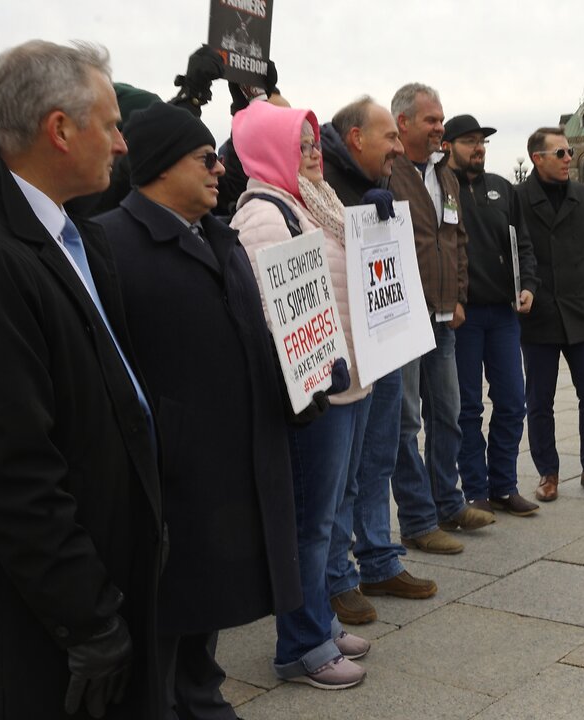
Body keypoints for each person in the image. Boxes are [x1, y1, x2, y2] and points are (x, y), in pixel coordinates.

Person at [0, 40, 162, 718]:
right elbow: (11, 473)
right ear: (59, 129)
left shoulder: (70, 233)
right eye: (109, 125)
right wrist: (91, 620)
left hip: (97, 585)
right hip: (34, 634)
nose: (122, 144)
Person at [95, 101, 311, 714]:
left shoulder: (223, 238)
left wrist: (301, 384)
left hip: (230, 469)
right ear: (162, 167)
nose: (221, 169)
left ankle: (201, 697)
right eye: (204, 158)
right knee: (163, 631)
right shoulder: (111, 243)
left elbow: (253, 334)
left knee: (205, 622)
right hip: (170, 479)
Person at [229, 100, 372, 689]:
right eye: (302, 146)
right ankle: (301, 645)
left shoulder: (311, 202)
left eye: (316, 145)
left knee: (325, 513)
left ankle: (318, 618)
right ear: (270, 150)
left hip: (343, 381)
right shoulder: (264, 214)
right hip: (314, 394)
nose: (315, 155)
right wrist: (320, 370)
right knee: (309, 523)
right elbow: (272, 313)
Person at [317, 97, 441, 626]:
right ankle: (337, 577)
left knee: (380, 457)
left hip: (387, 338)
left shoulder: (380, 180)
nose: (396, 146)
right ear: (355, 139)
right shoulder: (321, 186)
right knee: (344, 471)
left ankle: (377, 557)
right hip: (349, 353)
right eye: (388, 137)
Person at [387, 83, 495, 553]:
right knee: (407, 423)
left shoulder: (445, 177)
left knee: (448, 414)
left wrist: (460, 295)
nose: (439, 129)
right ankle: (416, 519)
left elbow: (457, 239)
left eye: (441, 120)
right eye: (431, 120)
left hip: (443, 315)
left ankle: (449, 503)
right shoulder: (387, 173)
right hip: (402, 319)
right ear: (403, 122)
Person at [442, 114, 540, 516]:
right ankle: (475, 490)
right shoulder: (440, 188)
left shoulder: (502, 188)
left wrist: (529, 284)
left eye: (481, 141)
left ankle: (504, 485)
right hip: (462, 318)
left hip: (502, 314)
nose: (478, 148)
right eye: (468, 141)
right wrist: (451, 298)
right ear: (447, 145)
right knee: (466, 408)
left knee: (513, 401)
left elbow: (525, 244)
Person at [518, 127, 584, 501]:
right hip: (539, 312)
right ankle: (548, 472)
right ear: (537, 158)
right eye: (559, 153)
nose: (568, 159)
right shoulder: (519, 199)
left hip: (580, 311)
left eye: (569, 151)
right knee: (539, 399)